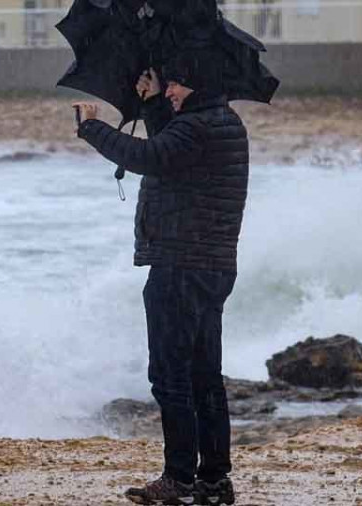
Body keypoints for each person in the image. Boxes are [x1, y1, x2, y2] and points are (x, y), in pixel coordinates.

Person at [73, 49, 248, 506]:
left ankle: (178, 479)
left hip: (180, 266)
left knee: (170, 376)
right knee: (204, 377)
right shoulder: (221, 122)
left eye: (175, 84)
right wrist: (152, 103)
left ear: (199, 85)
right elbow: (170, 146)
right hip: (212, 265)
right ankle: (213, 480)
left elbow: (149, 155)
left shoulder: (198, 127)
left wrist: (92, 127)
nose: (169, 89)